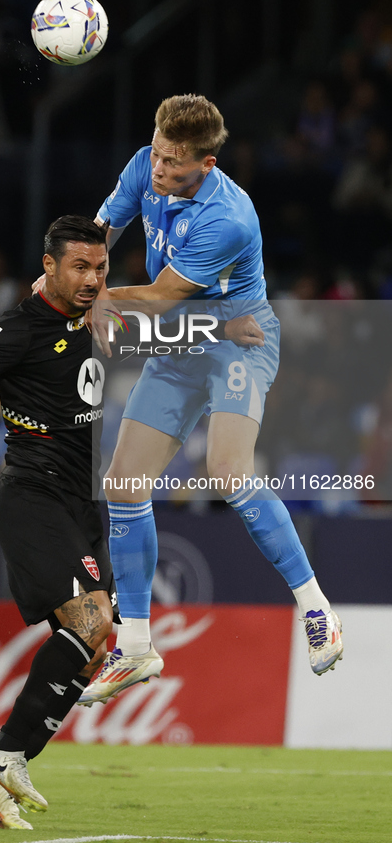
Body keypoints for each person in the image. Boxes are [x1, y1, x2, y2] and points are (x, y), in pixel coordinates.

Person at [79, 93, 343, 707]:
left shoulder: (229, 217)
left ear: (209, 162)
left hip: (237, 341)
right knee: (122, 485)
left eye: (176, 162)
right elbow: (103, 227)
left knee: (227, 471)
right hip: (179, 346)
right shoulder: (146, 161)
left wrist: (99, 295)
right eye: (159, 152)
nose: (161, 168)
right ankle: (138, 646)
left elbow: (165, 294)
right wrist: (78, 263)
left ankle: (317, 607)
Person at [0, 216, 118, 830]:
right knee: (90, 622)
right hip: (34, 495)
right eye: (80, 268)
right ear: (49, 266)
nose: (93, 279)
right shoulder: (18, 328)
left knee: (96, 643)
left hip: (86, 502)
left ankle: (4, 764)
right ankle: (2, 753)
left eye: (100, 267)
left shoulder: (99, 314)